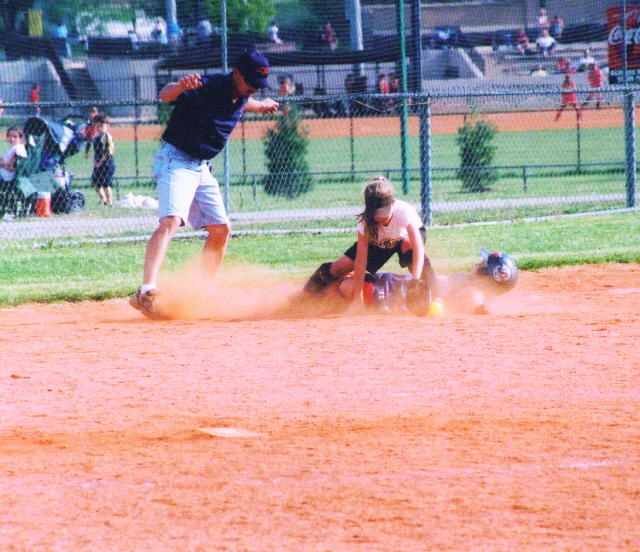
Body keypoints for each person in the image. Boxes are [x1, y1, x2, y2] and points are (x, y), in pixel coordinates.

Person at [130, 50, 279, 317]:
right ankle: (146, 291)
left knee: (221, 230)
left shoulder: (241, 94)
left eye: (257, 85)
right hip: (176, 160)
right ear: (237, 74)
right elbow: (165, 95)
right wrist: (180, 87)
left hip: (201, 167)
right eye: (251, 82)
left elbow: (243, 102)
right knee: (170, 221)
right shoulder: (209, 85)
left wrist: (262, 105)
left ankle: (198, 292)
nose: (253, 88)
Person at [303, 176, 440, 312]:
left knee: (408, 245)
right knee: (339, 267)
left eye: (385, 217)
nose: (382, 222)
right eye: (378, 218)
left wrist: (415, 280)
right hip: (380, 242)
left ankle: (434, 295)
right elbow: (361, 260)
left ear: (392, 204)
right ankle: (307, 296)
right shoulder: (366, 222)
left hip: (404, 238)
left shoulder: (403, 212)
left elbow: (418, 247)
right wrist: (358, 298)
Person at [336, 250, 518, 316]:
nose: (478, 264)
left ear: (488, 274)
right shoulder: (471, 283)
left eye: (484, 264)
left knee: (345, 286)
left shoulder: (475, 294)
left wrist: (480, 308)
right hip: (405, 285)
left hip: (403, 295)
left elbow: (475, 304)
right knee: (347, 281)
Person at [90, 114, 116, 206]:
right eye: (97, 126)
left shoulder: (107, 136)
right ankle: (103, 199)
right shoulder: (96, 137)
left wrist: (100, 162)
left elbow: (108, 152)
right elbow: (95, 151)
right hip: (98, 164)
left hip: (107, 164)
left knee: (106, 184)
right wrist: (95, 162)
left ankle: (110, 202)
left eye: (101, 126)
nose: (99, 128)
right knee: (95, 183)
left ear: (106, 126)